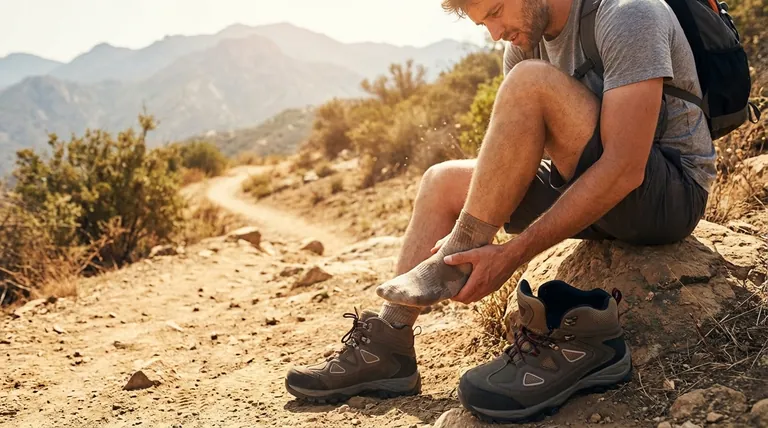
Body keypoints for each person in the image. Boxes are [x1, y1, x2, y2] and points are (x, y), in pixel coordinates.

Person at [284, 0, 715, 420]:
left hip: (665, 194)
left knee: (529, 81)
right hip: (591, 188)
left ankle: (453, 252)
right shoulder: (524, 41)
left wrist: (510, 255)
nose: (494, 33)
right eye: (482, 23)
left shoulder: (629, 13)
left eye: (494, 13)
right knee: (441, 181)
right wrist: (484, 215)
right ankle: (389, 347)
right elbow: (518, 151)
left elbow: (624, 169)